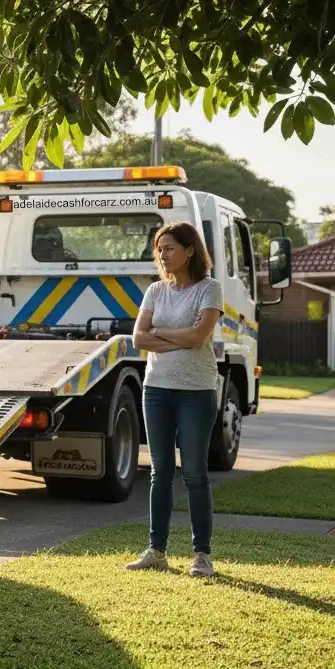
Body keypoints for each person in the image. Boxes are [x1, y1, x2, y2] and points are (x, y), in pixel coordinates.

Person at [126, 221, 224, 578]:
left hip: (196, 391)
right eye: (159, 249)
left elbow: (200, 336)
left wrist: (161, 333)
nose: (163, 255)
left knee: (195, 473)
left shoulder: (208, 289)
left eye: (169, 248)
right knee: (160, 471)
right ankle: (157, 551)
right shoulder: (155, 291)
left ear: (190, 250)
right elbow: (138, 338)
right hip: (156, 389)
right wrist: (175, 338)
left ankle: (202, 555)